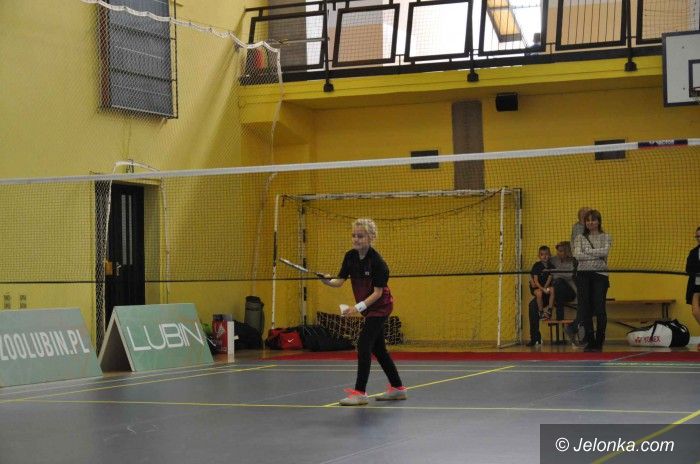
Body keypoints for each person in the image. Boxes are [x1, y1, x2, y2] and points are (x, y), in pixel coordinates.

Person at [320, 218, 406, 406]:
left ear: (371, 237)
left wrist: (357, 308)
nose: (356, 239)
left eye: (360, 236)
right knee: (378, 349)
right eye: (354, 235)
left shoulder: (378, 262)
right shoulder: (350, 257)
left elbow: (378, 293)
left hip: (381, 306)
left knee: (363, 345)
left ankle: (360, 393)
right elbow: (339, 281)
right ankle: (398, 388)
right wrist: (327, 281)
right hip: (368, 307)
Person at [573, 210, 611, 352]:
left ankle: (599, 340)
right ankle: (590, 340)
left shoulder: (606, 237)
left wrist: (587, 252)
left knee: (600, 309)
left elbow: (604, 252)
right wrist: (596, 254)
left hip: (600, 275)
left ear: (599, 221)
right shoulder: (579, 238)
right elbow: (577, 255)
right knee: (586, 309)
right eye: (588, 220)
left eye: (593, 220)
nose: (590, 222)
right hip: (583, 275)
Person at [526, 245, 554, 346]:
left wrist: (545, 289)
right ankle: (535, 338)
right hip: (539, 290)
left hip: (548, 292)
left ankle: (549, 311)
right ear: (539, 256)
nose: (545, 256)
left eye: (546, 254)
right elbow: (534, 282)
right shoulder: (537, 266)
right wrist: (541, 288)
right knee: (532, 305)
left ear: (550, 255)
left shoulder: (551, 265)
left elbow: (550, 279)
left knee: (550, 290)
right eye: (542, 255)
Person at [550, 241, 577, 321]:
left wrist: (554, 272)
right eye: (558, 251)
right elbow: (541, 267)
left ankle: (559, 318)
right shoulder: (553, 260)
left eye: (561, 251)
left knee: (558, 281)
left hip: (570, 293)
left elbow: (569, 275)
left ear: (567, 252)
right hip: (556, 292)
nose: (558, 253)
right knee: (533, 304)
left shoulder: (573, 261)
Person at [686, 227, 700, 350]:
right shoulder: (693, 252)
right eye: (697, 236)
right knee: (696, 312)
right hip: (696, 286)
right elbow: (688, 268)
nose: (699, 238)